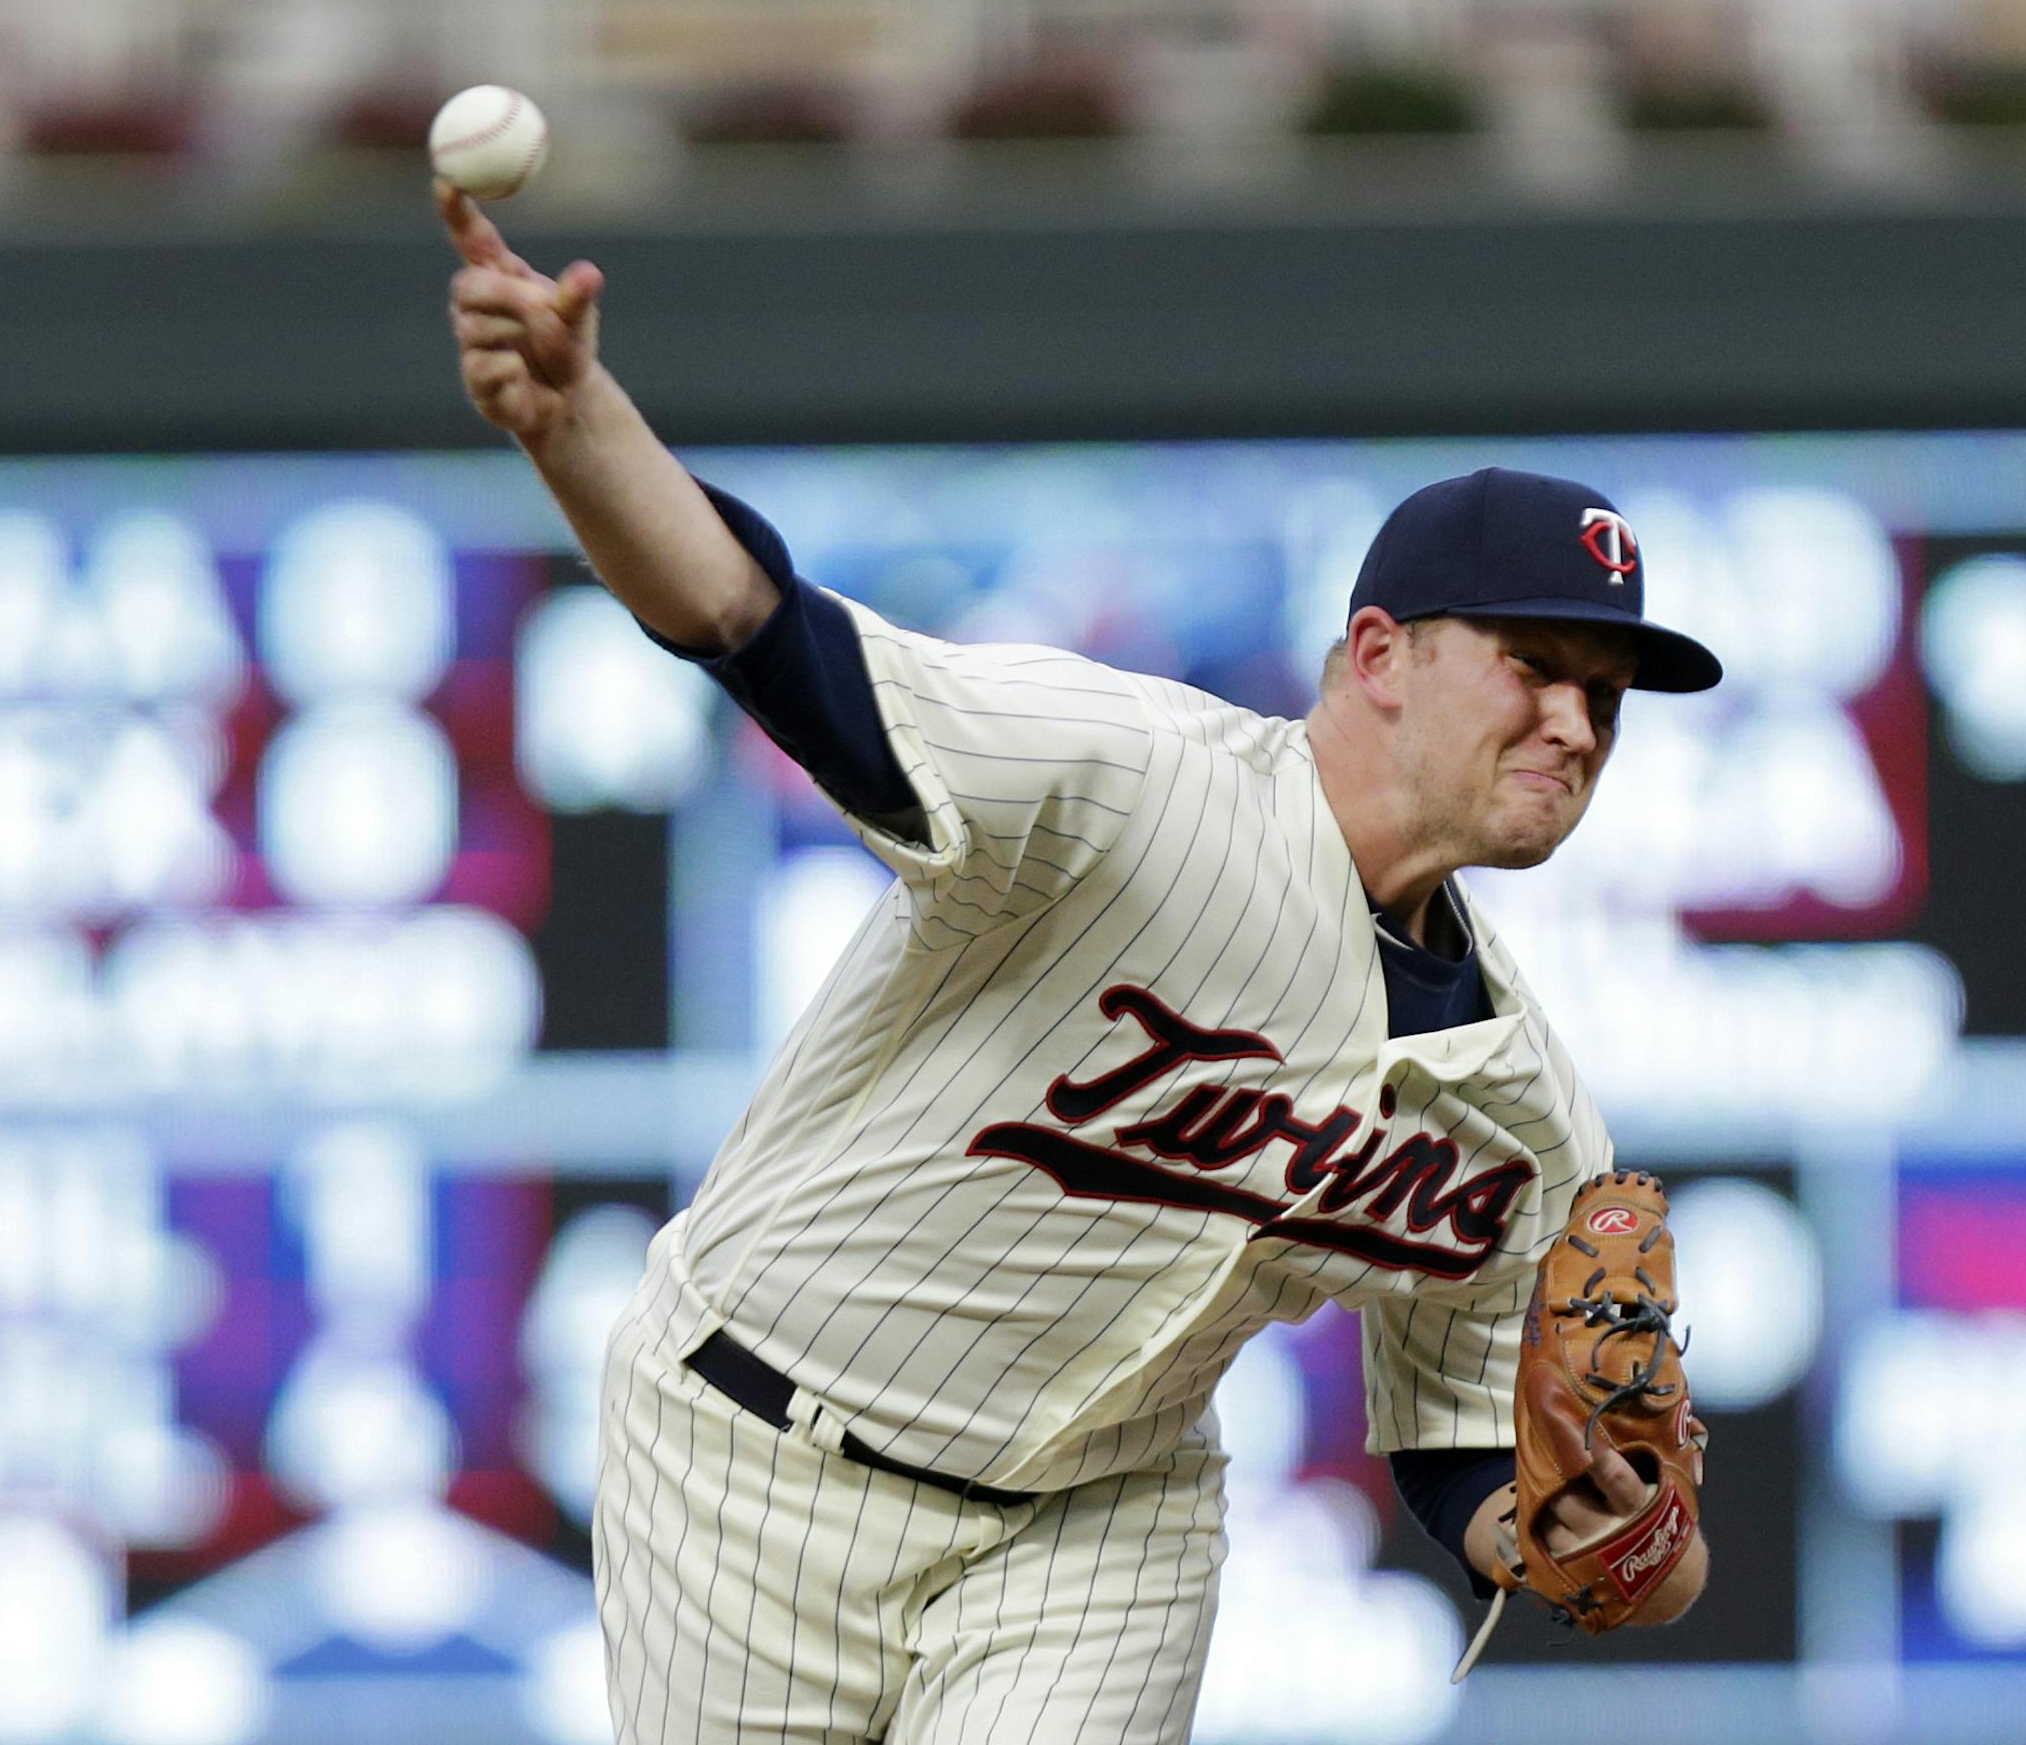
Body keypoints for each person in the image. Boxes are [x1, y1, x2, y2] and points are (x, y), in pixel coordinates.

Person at [436, 181, 1715, 1744]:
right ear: (1378, 656)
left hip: (1098, 1528)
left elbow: (1460, 1446)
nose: (1577, 727)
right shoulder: (1131, 779)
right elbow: (764, 631)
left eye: (1609, 696)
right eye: (1535, 666)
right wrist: (576, 428)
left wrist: (1565, 1538)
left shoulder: (1524, 1118)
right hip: (751, 1452)